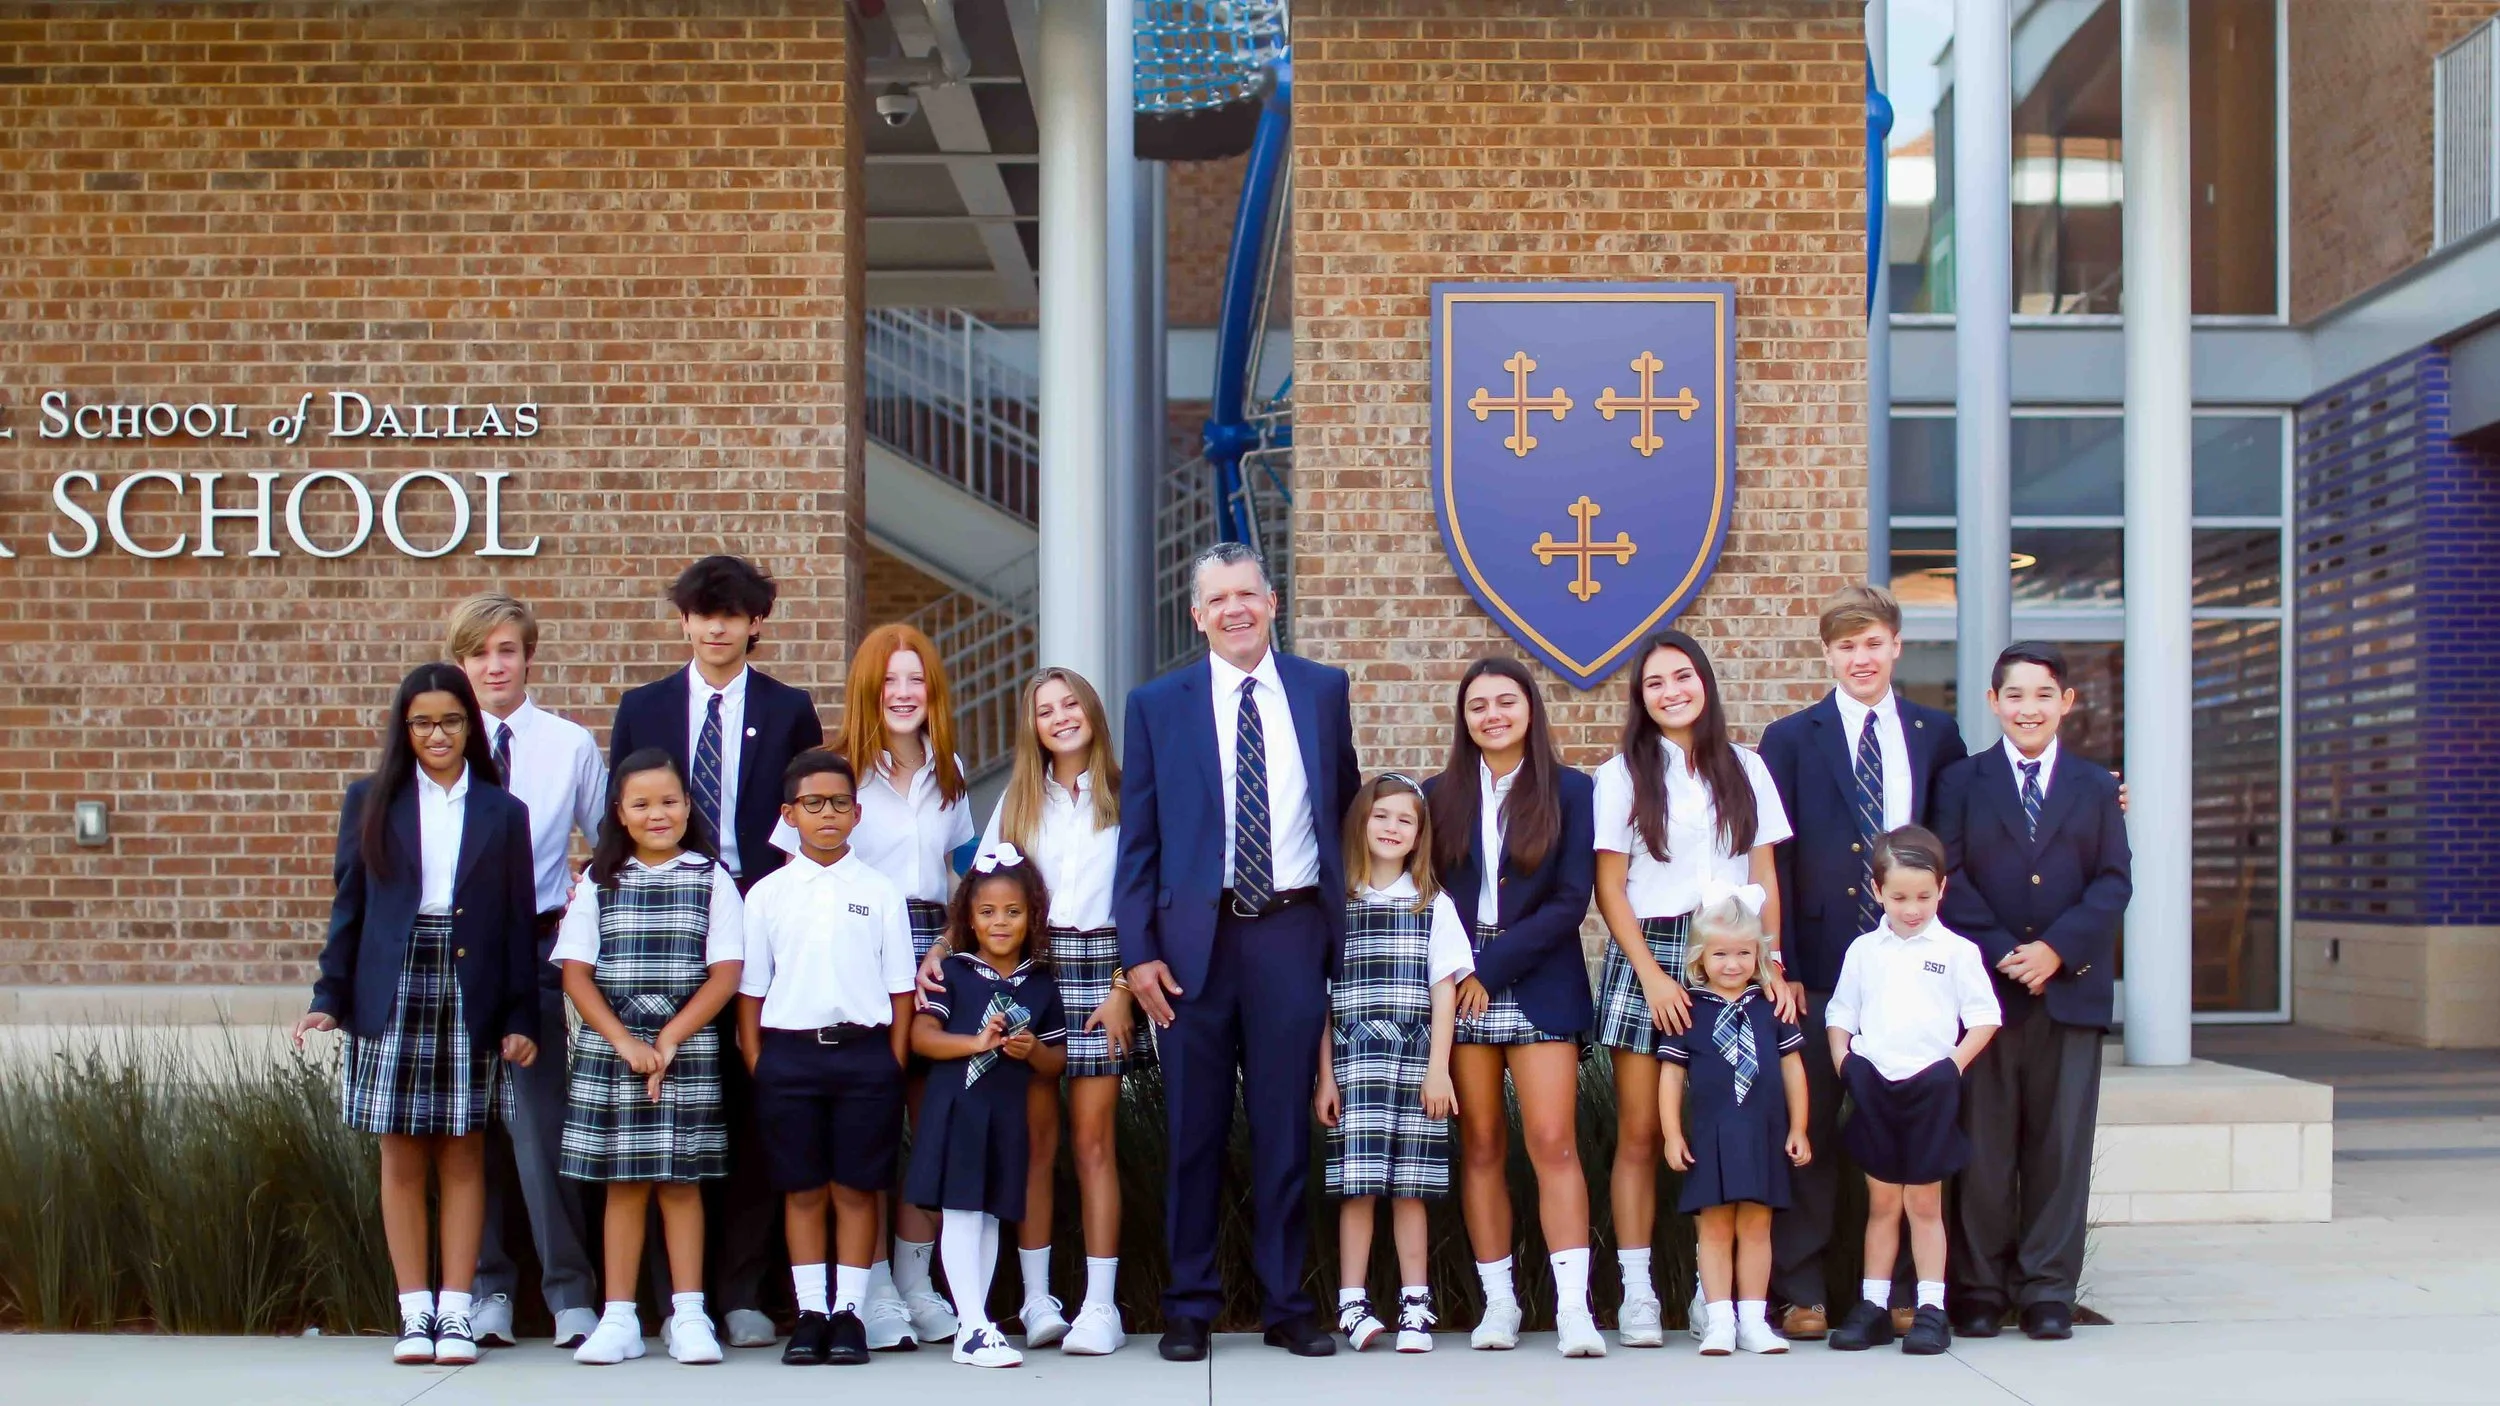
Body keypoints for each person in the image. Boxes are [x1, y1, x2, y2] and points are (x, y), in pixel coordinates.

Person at [1114, 541, 1360, 1362]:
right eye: (1217, 600)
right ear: (1197, 616)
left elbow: (1345, 808)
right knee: (1193, 1128)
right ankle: (1189, 1306)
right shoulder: (1157, 705)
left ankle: (1288, 1304)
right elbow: (1139, 841)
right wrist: (1138, 953)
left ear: (1272, 601)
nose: (1234, 610)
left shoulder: (1323, 691)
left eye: (1246, 595)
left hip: (1292, 931)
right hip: (1194, 945)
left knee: (1285, 1128)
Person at [295, 663, 541, 1366]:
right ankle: (414, 1312)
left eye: (451, 721)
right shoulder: (370, 800)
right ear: (404, 729)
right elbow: (350, 907)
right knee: (400, 1152)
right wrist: (327, 999)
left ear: (470, 726)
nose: (438, 735)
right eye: (423, 723)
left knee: (463, 1150)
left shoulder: (502, 811)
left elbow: (517, 925)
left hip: (469, 984)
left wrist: (521, 1016)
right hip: (393, 985)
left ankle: (456, 1312)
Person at [611, 554, 824, 1348]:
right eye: (704, 614)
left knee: (753, 1100)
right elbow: (619, 817)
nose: (717, 629)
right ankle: (671, 1299)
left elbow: (803, 816)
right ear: (685, 620)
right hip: (666, 920)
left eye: (732, 615)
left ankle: (741, 1291)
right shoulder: (643, 707)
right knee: (666, 1108)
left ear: (755, 623)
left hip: (761, 918)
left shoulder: (788, 708)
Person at [1757, 585, 1966, 1340]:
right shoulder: (1789, 739)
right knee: (1807, 1127)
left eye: (1873, 643)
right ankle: (1804, 1291)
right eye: (1846, 646)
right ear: (1827, 654)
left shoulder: (1936, 734)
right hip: (1817, 970)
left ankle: (1905, 1293)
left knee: (1909, 1138)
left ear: (1897, 646)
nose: (1861, 658)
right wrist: (1776, 959)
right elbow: (1772, 858)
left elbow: (1958, 835)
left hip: (1910, 972)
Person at [1591, 628, 1793, 1347]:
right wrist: (1651, 976)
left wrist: (1772, 962)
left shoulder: (1748, 766)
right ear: (1640, 699)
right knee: (1643, 1132)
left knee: (1726, 1124)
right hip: (1650, 951)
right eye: (1654, 683)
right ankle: (1639, 1293)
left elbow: (1764, 874)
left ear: (1704, 682)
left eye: (1682, 676)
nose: (1671, 691)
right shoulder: (1620, 775)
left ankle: (1719, 1299)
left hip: (1733, 952)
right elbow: (1610, 886)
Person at [1933, 643, 2131, 1342]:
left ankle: (2048, 1289)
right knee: (1984, 1148)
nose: (2028, 709)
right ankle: (1980, 1288)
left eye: (2043, 695)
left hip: (2070, 992)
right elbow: (1950, 876)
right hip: (1987, 997)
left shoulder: (2096, 787)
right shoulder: (1961, 782)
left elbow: (2113, 881)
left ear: (2066, 703)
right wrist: (2005, 953)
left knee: (2060, 1148)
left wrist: (2056, 950)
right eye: (2014, 695)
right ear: (1993, 702)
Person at [950, 665, 1139, 1354]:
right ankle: (1036, 1301)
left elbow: (1148, 897)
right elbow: (981, 892)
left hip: (1105, 971)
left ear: (1092, 710)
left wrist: (1124, 989)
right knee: (1033, 1142)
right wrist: (942, 952)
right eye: (1045, 709)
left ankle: (1100, 1307)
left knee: (1093, 1141)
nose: (1060, 717)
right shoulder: (1018, 799)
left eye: (1070, 703)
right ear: (1032, 726)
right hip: (1030, 970)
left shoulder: (1129, 793)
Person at [1420, 656, 1598, 1355]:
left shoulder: (1572, 790)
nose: (1492, 715)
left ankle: (1574, 1309)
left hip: (1538, 976)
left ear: (1530, 709)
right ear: (1463, 719)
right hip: (1460, 983)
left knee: (1553, 1141)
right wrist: (1464, 972)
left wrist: (1489, 972)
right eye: (1477, 706)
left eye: (1505, 702)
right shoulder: (1439, 794)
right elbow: (1431, 894)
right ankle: (1500, 1305)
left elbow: (1571, 900)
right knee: (1482, 1145)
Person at [448, 591, 607, 1352]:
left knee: (539, 1129)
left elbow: (610, 843)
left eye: (505, 650)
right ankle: (488, 1291)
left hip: (537, 951)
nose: (493, 666)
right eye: (478, 654)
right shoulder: (442, 745)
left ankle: (570, 1293)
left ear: (528, 657)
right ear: (461, 665)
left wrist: (585, 892)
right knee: (467, 1127)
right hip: (454, 956)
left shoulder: (568, 744)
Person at [554, 749, 747, 1367]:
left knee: (681, 1182)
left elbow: (726, 973)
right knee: (625, 1183)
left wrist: (668, 1040)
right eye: (641, 804)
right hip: (613, 1047)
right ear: (619, 812)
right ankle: (619, 1318)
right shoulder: (599, 881)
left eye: (669, 801)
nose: (657, 814)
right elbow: (577, 975)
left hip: (686, 1045)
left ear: (689, 806)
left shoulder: (711, 878)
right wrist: (626, 1043)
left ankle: (688, 1314)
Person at [821, 622, 977, 1349]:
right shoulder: (838, 770)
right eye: (890, 680)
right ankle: (874, 1285)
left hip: (933, 953)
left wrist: (945, 944)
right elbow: (802, 874)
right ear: (868, 689)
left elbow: (964, 875)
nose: (904, 692)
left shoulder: (951, 769)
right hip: (859, 948)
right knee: (872, 1121)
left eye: (916, 679)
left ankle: (917, 1281)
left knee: (934, 1119)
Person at [736, 750, 916, 1368]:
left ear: (857, 812)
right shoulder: (767, 895)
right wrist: (758, 1060)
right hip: (789, 1057)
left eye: (840, 802)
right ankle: (811, 1312)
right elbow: (752, 989)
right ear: (789, 814)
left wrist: (892, 1063)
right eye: (813, 804)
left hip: (865, 1057)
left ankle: (850, 1314)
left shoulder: (880, 892)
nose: (828, 814)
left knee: (857, 1189)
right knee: (804, 1189)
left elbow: (900, 989)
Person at [1821, 825, 2001, 1355]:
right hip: (1875, 1086)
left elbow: (1985, 1017)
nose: (1912, 908)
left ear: (1942, 888)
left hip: (1931, 1089)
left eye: (1924, 896)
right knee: (1882, 1203)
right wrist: (1845, 1061)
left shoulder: (1957, 951)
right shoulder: (1864, 951)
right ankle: (1873, 1306)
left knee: (1924, 1203)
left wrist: (1952, 1068)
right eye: (1899, 897)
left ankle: (1931, 1308)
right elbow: (1840, 1012)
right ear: (1877, 890)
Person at [1315, 773, 1470, 1354]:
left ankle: (1415, 1304)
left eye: (1406, 820)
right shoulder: (1338, 905)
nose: (1391, 827)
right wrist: (1325, 1076)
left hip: (1414, 1062)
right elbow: (1322, 1000)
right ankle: (1352, 1302)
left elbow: (1443, 992)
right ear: (1361, 822)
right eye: (1381, 816)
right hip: (1354, 1063)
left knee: (1411, 1186)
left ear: (1419, 836)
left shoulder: (1433, 905)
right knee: (1358, 1186)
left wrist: (1439, 1069)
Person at [904, 846, 1069, 1369]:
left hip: (1005, 1116)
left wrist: (1032, 1050)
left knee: (990, 1217)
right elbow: (921, 1036)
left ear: (1032, 916)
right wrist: (975, 1043)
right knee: (961, 1212)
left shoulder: (1040, 982)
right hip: (959, 1110)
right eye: (987, 911)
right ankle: (972, 1326)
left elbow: (1055, 1061)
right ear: (969, 919)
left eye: (1013, 912)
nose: (1000, 922)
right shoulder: (952, 973)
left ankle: (976, 1323)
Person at [1658, 885, 1811, 1357]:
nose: (1732, 964)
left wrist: (1799, 1127)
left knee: (1757, 1228)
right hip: (1711, 1136)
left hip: (1763, 1133)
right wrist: (1672, 1134)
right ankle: (1720, 1320)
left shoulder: (1772, 1007)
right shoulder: (1688, 1010)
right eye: (1720, 954)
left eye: (1744, 953)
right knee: (1715, 1229)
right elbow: (1671, 1076)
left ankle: (1754, 1321)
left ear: (1758, 955)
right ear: (1700, 958)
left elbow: (1792, 1069)